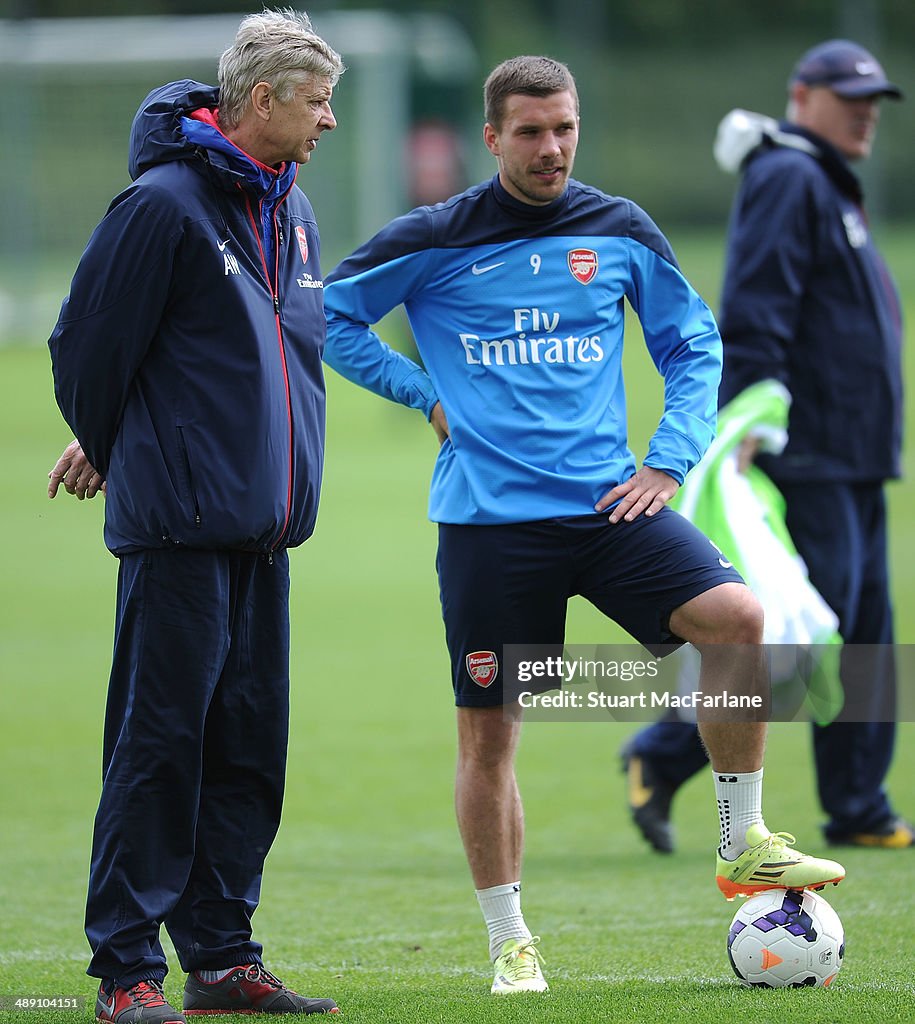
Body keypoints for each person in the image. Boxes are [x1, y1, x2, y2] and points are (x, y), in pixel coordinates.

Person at [319, 55, 846, 995]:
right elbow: (328, 318)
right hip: (488, 524)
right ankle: (509, 940)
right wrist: (422, 395)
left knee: (736, 620)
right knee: (490, 735)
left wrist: (668, 460)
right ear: (492, 138)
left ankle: (742, 843)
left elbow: (692, 344)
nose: (550, 148)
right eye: (529, 131)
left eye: (563, 127)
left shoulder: (617, 228)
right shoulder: (434, 236)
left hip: (612, 506)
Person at [47, 10, 344, 1023]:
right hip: (178, 531)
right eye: (316, 101)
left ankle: (222, 957)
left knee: (251, 750)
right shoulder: (163, 208)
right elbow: (87, 350)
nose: (330, 121)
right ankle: (127, 969)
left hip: (265, 533)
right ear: (262, 100)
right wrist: (126, 442)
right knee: (160, 747)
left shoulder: (292, 212)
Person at [623, 39, 912, 855]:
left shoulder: (824, 181)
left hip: (851, 454)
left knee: (857, 635)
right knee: (795, 636)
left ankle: (857, 803)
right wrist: (748, 421)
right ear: (800, 96)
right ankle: (663, 751)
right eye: (848, 95)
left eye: (873, 100)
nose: (864, 111)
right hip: (805, 453)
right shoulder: (789, 175)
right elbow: (754, 305)